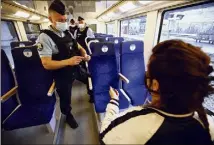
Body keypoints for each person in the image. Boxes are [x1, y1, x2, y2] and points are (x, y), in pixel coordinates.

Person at [100, 40, 214, 144]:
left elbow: (105, 135)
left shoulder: (136, 124)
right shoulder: (207, 125)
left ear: (155, 85)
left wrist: (114, 102)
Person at [36, 0, 92, 129]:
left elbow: (77, 46)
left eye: (64, 19)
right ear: (50, 19)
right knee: (65, 98)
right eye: (60, 20)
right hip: (62, 74)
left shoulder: (66, 31)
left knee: (90, 78)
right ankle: (68, 115)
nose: (63, 22)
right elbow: (46, 64)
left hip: (76, 68)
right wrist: (68, 62)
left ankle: (92, 95)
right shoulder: (44, 37)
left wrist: (84, 54)